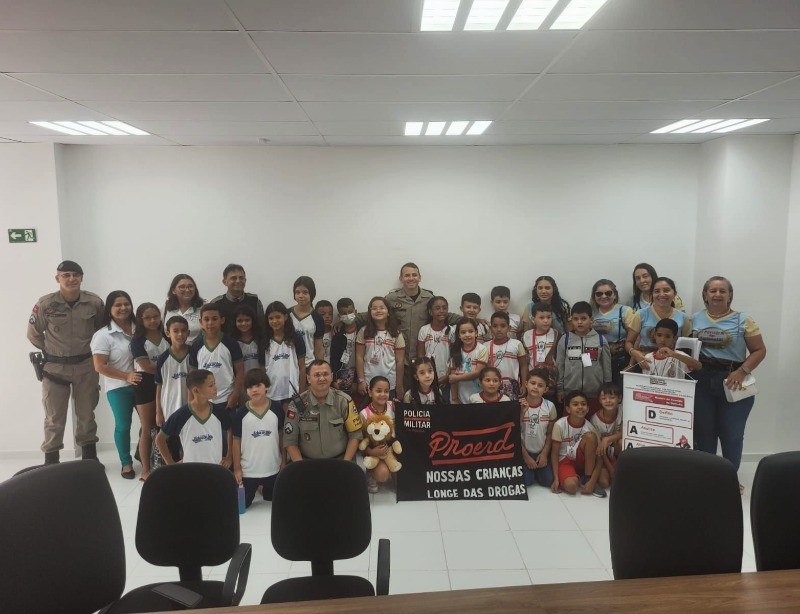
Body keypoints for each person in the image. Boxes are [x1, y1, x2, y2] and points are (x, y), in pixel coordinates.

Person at [691, 276, 766, 488]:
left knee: (732, 433)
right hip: (702, 381)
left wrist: (742, 371)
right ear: (705, 294)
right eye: (712, 291)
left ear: (730, 295)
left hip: (733, 381)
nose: (717, 295)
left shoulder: (744, 320)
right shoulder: (694, 319)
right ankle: (706, 477)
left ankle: (728, 479)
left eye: (722, 291)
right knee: (704, 432)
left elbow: (760, 350)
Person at [27, 260, 104, 465]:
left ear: (81, 278)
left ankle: (89, 460)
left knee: (87, 414)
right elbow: (33, 334)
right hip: (54, 369)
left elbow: (101, 333)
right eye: (66, 275)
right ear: (58, 278)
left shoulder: (94, 302)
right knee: (54, 418)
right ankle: (51, 462)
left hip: (86, 367)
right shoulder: (46, 304)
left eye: (75, 275)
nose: (71, 279)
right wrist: (52, 351)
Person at [90, 290, 140, 479]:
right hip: (119, 388)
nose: (123, 308)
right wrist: (126, 376)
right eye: (117, 305)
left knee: (149, 424)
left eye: (126, 303)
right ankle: (126, 463)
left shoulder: (141, 328)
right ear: (109, 310)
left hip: (143, 385)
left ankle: (146, 457)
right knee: (123, 425)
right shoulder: (103, 335)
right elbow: (99, 366)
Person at [283, 360, 363, 461]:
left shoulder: (344, 401)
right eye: (316, 375)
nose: (322, 378)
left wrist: (345, 464)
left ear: (331, 377)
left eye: (325, 374)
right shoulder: (296, 405)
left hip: (340, 461)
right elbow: (290, 441)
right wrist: (301, 469)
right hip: (307, 463)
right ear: (308, 378)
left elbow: (355, 435)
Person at [156, 369, 231, 466]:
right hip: (190, 471)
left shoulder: (219, 411)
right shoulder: (181, 415)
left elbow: (230, 430)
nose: (215, 388)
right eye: (211, 385)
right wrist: (171, 465)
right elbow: (159, 439)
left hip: (216, 470)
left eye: (214, 384)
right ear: (196, 390)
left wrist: (229, 456)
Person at [233, 369, 284, 508]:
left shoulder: (277, 409)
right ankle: (256, 486)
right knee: (241, 507)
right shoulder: (241, 413)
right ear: (246, 390)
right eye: (250, 387)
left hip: (272, 469)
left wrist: (283, 461)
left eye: (258, 385)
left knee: (272, 499)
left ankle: (262, 488)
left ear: (267, 386)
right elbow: (236, 442)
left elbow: (281, 437)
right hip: (248, 471)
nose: (254, 390)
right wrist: (237, 468)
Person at [129, 303, 169, 481]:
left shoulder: (166, 335)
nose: (152, 321)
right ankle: (146, 469)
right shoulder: (137, 340)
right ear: (140, 319)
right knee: (147, 427)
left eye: (156, 317)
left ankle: (165, 463)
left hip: (167, 384)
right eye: (147, 318)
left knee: (165, 424)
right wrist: (170, 371)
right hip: (146, 384)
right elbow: (145, 366)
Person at [189, 304, 244, 431]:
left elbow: (240, 371)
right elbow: (192, 377)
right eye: (206, 319)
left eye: (214, 319)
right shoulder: (196, 346)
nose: (210, 323)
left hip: (227, 400)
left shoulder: (231, 343)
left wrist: (235, 395)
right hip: (204, 401)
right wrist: (192, 400)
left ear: (222, 320)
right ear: (200, 322)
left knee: (228, 438)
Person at [556, 302, 611, 415]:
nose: (579, 322)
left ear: (591, 319)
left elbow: (607, 367)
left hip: (595, 393)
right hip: (570, 393)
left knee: (593, 425)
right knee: (572, 425)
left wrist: (606, 389)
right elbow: (559, 366)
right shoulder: (565, 340)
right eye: (576, 319)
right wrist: (560, 389)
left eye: (583, 318)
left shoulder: (600, 340)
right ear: (572, 320)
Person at [626, 277, 691, 367]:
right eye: (656, 291)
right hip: (645, 365)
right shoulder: (640, 314)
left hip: (672, 367)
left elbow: (687, 348)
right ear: (651, 294)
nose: (662, 294)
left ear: (674, 293)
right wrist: (635, 354)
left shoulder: (684, 318)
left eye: (666, 290)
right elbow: (629, 342)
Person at [550, 391, 605, 497]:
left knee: (590, 436)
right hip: (565, 461)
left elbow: (599, 458)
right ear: (568, 409)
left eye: (583, 404)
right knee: (571, 487)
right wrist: (556, 478)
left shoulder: (590, 428)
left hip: (584, 463)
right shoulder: (560, 425)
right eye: (575, 404)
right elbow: (554, 454)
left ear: (588, 408)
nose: (580, 407)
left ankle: (587, 478)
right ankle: (576, 478)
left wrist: (592, 482)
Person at [355, 296, 406, 401]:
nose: (378, 310)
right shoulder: (363, 331)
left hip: (389, 384)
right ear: (370, 313)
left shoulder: (396, 333)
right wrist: (361, 380)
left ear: (388, 312)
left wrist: (399, 385)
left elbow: (400, 361)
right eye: (374, 308)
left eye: (382, 308)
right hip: (368, 383)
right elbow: (359, 357)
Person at [154, 315, 190, 462]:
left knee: (188, 448)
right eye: (176, 331)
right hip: (170, 409)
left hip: (189, 408)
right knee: (173, 448)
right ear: (168, 333)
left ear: (188, 332)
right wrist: (158, 412)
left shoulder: (194, 353)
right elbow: (159, 386)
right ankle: (173, 473)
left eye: (183, 331)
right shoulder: (162, 359)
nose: (180, 334)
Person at [590, 279, 636, 387]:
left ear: (615, 295)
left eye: (608, 293)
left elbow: (635, 339)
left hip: (619, 362)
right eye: (599, 294)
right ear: (594, 296)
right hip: (597, 363)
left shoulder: (625, 311)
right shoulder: (591, 313)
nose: (604, 296)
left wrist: (631, 364)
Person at [264, 301, 307, 411]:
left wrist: (302, 391)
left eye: (278, 317)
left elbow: (302, 367)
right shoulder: (264, 340)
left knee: (291, 425)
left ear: (286, 317)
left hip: (292, 392)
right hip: (271, 393)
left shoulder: (295, 338)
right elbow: (262, 368)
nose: (274, 321)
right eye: (271, 318)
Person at [519, 368, 556, 488]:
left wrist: (545, 454)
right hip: (524, 451)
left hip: (541, 451)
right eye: (532, 383)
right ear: (526, 384)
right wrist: (526, 457)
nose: (535, 387)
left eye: (540, 385)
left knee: (547, 481)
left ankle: (538, 467)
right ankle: (530, 469)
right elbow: (514, 433)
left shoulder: (549, 406)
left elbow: (550, 433)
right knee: (526, 482)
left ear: (545, 389)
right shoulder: (519, 405)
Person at [360, 375, 395, 493]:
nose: (383, 394)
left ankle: (392, 471)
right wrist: (370, 452)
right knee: (383, 474)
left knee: (403, 474)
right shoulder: (364, 414)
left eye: (386, 391)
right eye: (378, 391)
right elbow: (359, 441)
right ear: (370, 392)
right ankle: (371, 473)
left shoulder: (394, 407)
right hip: (374, 453)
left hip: (392, 450)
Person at [521, 302, 561, 406]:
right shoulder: (526, 336)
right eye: (541, 317)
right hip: (532, 383)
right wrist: (524, 382)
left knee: (550, 408)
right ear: (533, 319)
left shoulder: (557, 334)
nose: (546, 321)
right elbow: (524, 362)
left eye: (549, 317)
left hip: (550, 383)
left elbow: (560, 360)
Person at [211, 264, 265, 337]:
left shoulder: (254, 301)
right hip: (226, 346)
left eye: (241, 278)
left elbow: (262, 326)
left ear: (245, 280)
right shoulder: (216, 304)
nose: (238, 281)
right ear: (224, 281)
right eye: (233, 278)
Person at [417, 296, 452, 401]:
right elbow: (421, 355)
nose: (441, 311)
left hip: (446, 378)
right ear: (430, 312)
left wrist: (447, 376)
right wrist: (427, 376)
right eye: (437, 308)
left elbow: (455, 357)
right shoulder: (424, 330)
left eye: (444, 308)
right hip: (428, 379)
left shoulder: (452, 331)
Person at [486, 311, 527, 400]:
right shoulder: (485, 346)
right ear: (490, 328)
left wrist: (524, 384)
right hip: (492, 387)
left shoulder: (517, 344)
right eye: (495, 326)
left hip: (512, 387)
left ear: (509, 328)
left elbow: (523, 365)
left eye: (503, 326)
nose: (499, 329)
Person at [589, 383, 623, 489]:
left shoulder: (623, 411)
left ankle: (621, 465)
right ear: (599, 400)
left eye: (612, 397)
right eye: (604, 398)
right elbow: (599, 448)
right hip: (602, 456)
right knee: (604, 483)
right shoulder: (595, 419)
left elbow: (624, 433)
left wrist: (607, 439)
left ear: (619, 398)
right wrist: (610, 469)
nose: (608, 401)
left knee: (622, 442)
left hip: (616, 451)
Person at [449, 318, 488, 404]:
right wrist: (455, 399)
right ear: (459, 335)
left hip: (479, 396)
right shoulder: (455, 351)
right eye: (463, 332)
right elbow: (452, 379)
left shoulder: (482, 349)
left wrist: (457, 378)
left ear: (476, 333)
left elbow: (477, 372)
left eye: (470, 331)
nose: (467, 335)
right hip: (460, 396)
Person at [290, 275, 325, 367]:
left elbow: (319, 349)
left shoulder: (317, 318)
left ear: (312, 294)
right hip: (290, 364)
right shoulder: (286, 314)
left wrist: (319, 369)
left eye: (305, 292)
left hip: (308, 365)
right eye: (297, 292)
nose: (300, 296)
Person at [330, 297, 360, 399]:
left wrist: (357, 380)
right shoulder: (337, 334)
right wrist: (334, 380)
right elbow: (334, 358)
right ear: (339, 316)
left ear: (355, 312)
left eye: (350, 312)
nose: (348, 315)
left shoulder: (363, 331)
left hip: (358, 374)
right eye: (344, 313)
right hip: (341, 376)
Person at [163, 273, 205, 344]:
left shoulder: (203, 308)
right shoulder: (165, 307)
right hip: (174, 352)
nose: (187, 290)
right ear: (173, 290)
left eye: (190, 286)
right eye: (182, 287)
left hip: (197, 352)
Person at [232, 304, 265, 375]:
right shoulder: (233, 342)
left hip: (260, 381)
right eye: (240, 321)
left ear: (253, 320)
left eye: (247, 320)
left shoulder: (260, 339)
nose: (244, 323)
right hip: (242, 383)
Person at [316, 300, 334, 364]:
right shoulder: (313, 334)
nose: (327, 316)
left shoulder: (336, 332)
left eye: (330, 314)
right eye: (322, 314)